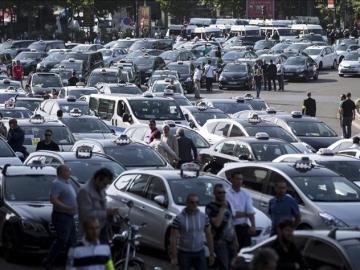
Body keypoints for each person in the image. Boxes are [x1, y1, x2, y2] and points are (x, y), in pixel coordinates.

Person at [43, 165, 77, 269]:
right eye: (67, 171)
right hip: (62, 216)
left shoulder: (67, 183)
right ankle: (48, 261)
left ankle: (70, 263)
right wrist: (66, 207)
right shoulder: (57, 183)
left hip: (69, 216)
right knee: (62, 240)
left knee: (72, 241)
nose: (69, 172)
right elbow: (53, 199)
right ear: (61, 172)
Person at [170, 193, 215, 270]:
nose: (194, 204)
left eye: (197, 202)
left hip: (199, 251)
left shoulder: (203, 217)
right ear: (187, 203)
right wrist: (174, 257)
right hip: (184, 253)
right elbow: (173, 238)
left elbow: (209, 235)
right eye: (192, 202)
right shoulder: (179, 218)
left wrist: (211, 253)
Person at [77, 168, 118, 243]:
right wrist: (106, 212)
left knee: (105, 251)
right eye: (104, 184)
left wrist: (111, 213)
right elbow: (86, 214)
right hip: (90, 231)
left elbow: (102, 205)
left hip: (102, 227)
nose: (105, 187)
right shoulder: (85, 191)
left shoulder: (100, 189)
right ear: (98, 179)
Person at [206, 184, 237, 270]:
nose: (222, 194)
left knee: (233, 265)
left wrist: (235, 240)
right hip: (220, 241)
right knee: (224, 266)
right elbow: (216, 223)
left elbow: (231, 222)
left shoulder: (228, 204)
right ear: (214, 193)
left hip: (230, 240)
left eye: (224, 192)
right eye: (219, 193)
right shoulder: (210, 206)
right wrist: (222, 209)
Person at [226, 172, 256, 251]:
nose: (239, 181)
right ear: (232, 180)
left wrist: (253, 225)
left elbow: (250, 211)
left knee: (246, 252)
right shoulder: (227, 194)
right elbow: (233, 214)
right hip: (233, 228)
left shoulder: (246, 193)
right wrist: (247, 214)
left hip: (245, 227)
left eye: (241, 179)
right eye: (237, 179)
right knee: (234, 252)